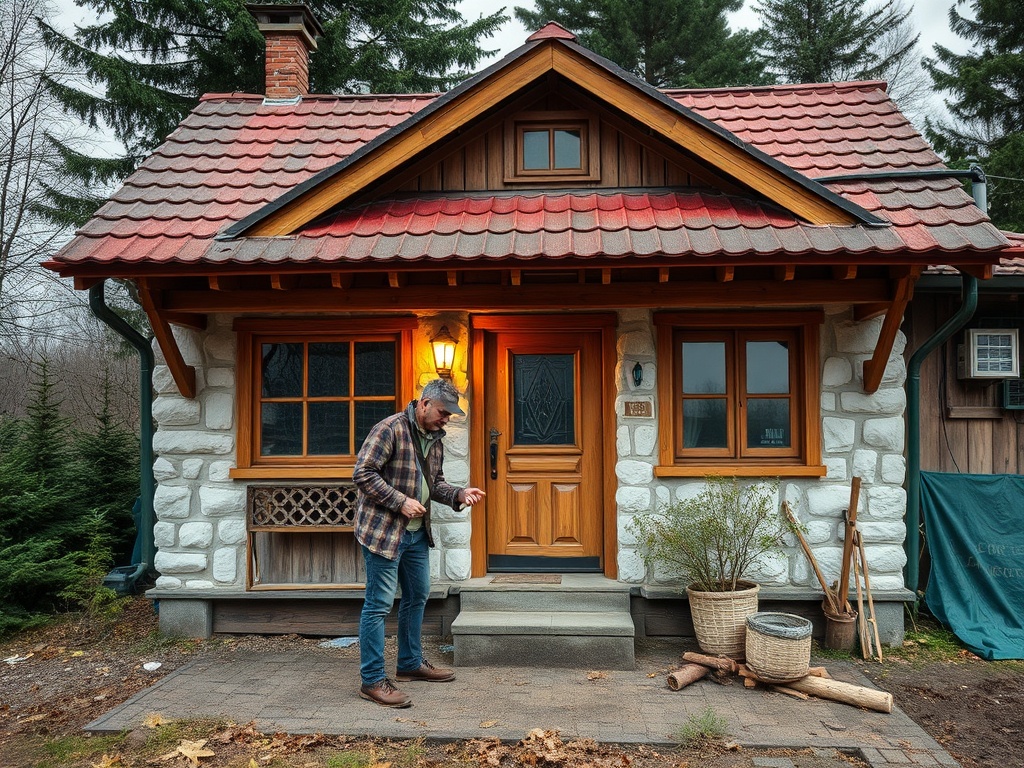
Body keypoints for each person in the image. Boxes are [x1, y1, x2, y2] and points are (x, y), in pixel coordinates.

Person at [352, 378, 485, 708]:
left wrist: (456, 494)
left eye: (450, 415)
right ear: (424, 403)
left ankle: (410, 664)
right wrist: (400, 501)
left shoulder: (435, 439)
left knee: (417, 596)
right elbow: (364, 473)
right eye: (443, 412)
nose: (446, 420)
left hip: (415, 534)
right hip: (384, 534)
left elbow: (433, 483)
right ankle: (372, 681)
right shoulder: (390, 429)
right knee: (379, 605)